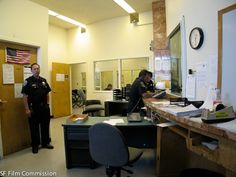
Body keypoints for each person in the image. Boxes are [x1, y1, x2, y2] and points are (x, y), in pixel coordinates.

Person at [21, 63, 54, 154]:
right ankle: (35, 145)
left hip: (44, 108)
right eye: (34, 69)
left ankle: (45, 143)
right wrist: (27, 109)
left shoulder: (43, 80)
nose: (36, 70)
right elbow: (24, 96)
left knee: (45, 126)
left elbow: (47, 93)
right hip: (33, 108)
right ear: (31, 70)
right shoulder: (28, 81)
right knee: (34, 127)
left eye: (38, 68)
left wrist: (47, 104)